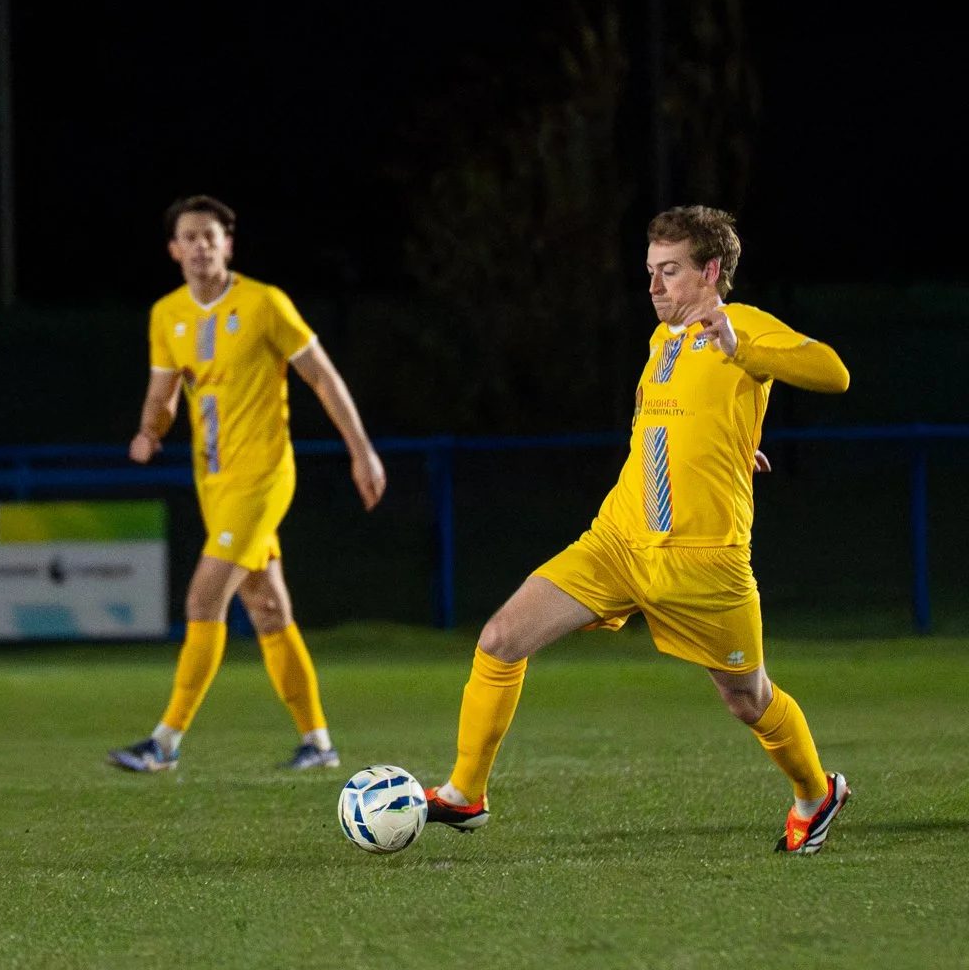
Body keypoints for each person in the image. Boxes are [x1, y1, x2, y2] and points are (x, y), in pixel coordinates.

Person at [424, 206, 853, 854]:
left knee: (747, 698)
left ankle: (816, 793)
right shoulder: (661, 341)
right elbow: (668, 425)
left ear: (710, 271)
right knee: (501, 637)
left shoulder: (744, 327)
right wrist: (729, 445)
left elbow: (833, 371)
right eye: (650, 271)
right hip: (619, 543)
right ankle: (465, 794)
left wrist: (744, 345)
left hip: (703, 562)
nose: (652, 286)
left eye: (669, 271)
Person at [110, 196, 386, 774]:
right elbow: (161, 397)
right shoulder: (167, 315)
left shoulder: (264, 304)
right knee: (265, 607)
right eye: (190, 236)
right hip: (213, 482)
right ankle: (318, 742)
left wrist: (361, 452)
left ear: (228, 245)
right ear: (174, 249)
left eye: (212, 235)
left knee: (203, 597)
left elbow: (324, 378)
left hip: (263, 477)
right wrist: (148, 431)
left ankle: (165, 742)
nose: (201, 245)